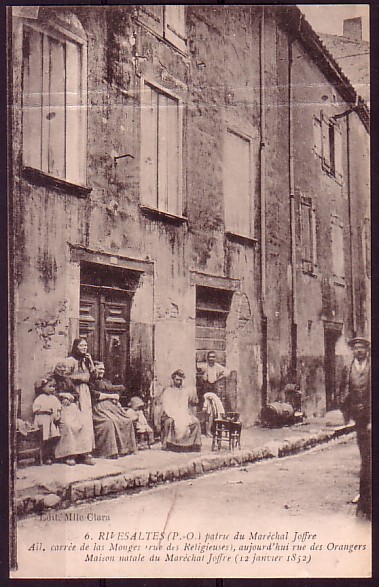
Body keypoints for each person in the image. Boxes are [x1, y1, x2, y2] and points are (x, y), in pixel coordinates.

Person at [339, 337, 371, 520]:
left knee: (369, 458)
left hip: (372, 419)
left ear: (367, 350)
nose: (358, 351)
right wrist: (346, 412)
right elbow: (344, 390)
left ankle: (366, 500)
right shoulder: (348, 368)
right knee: (364, 457)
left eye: (362, 348)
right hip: (359, 420)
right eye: (356, 348)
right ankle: (365, 497)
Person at [89, 361, 137, 458]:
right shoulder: (91, 381)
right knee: (110, 422)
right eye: (99, 369)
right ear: (94, 369)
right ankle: (110, 452)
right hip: (99, 408)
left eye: (103, 369)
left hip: (112, 407)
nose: (102, 371)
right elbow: (94, 395)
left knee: (126, 420)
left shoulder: (106, 381)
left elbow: (115, 391)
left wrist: (116, 399)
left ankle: (125, 449)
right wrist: (110, 396)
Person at [50, 362, 90, 466]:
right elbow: (46, 391)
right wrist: (62, 396)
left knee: (82, 424)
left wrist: (71, 397)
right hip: (57, 408)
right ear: (54, 368)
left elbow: (76, 393)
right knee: (67, 425)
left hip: (71, 407)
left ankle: (83, 454)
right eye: (59, 367)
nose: (62, 369)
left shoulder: (68, 380)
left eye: (64, 367)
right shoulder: (51, 379)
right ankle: (68, 455)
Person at [65, 338, 96, 465]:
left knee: (86, 421)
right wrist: (80, 378)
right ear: (76, 347)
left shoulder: (86, 361)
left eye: (86, 345)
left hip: (85, 393)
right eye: (81, 345)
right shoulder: (70, 361)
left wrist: (91, 363)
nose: (84, 348)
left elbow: (92, 377)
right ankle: (72, 453)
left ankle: (86, 453)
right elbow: (65, 377)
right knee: (75, 421)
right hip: (75, 392)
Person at [160, 369, 202, 452]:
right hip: (171, 414)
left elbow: (188, 404)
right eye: (177, 380)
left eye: (180, 380)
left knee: (196, 421)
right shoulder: (168, 391)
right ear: (173, 379)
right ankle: (175, 445)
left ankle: (195, 444)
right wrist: (173, 414)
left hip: (183, 413)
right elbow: (166, 406)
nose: (179, 382)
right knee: (174, 422)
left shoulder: (185, 391)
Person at [32, 377, 61, 465]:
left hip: (51, 421)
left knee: (53, 437)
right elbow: (35, 410)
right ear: (43, 388)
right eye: (50, 386)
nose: (52, 388)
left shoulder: (54, 398)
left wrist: (58, 415)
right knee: (45, 436)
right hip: (42, 419)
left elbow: (58, 408)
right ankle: (45, 456)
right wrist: (45, 410)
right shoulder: (40, 398)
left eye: (54, 386)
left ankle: (50, 455)